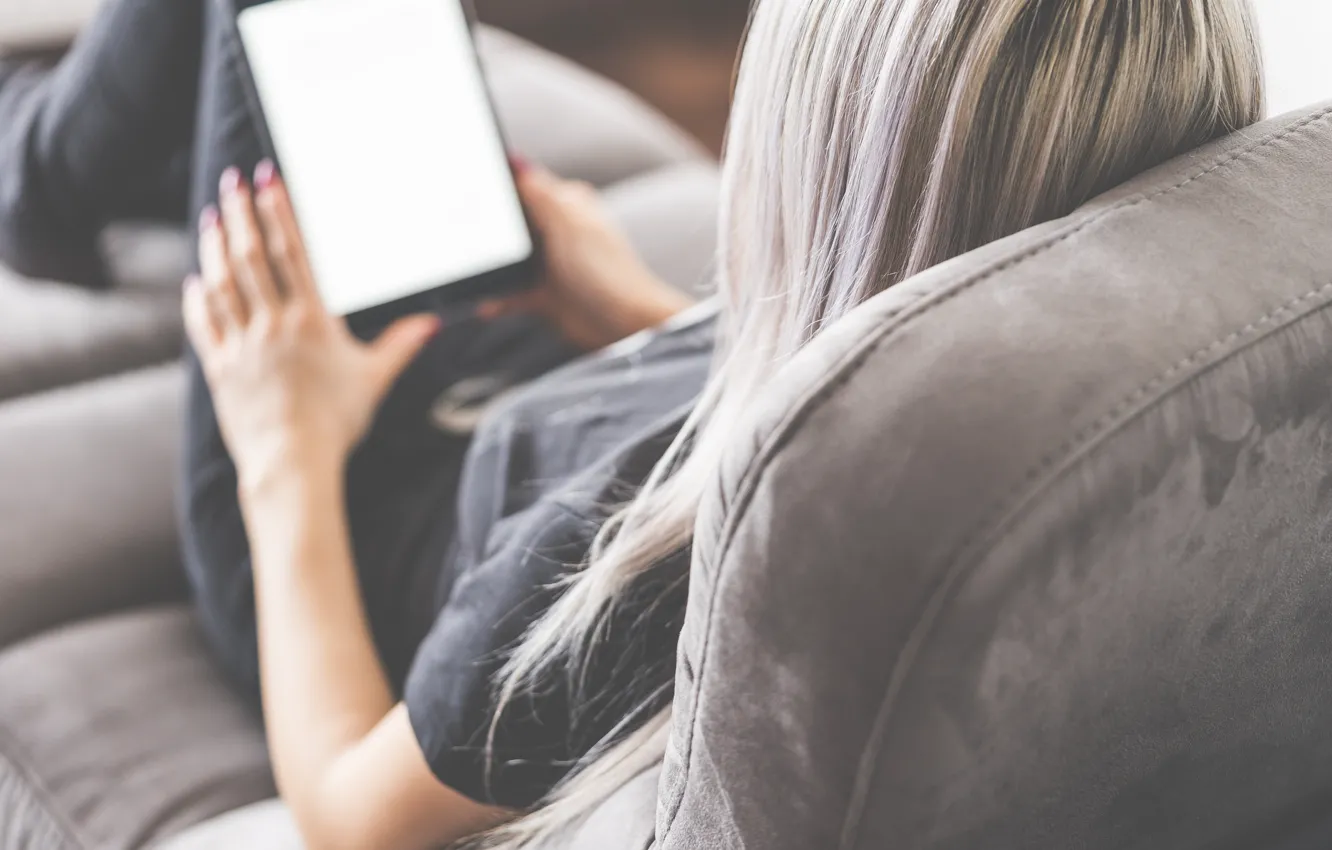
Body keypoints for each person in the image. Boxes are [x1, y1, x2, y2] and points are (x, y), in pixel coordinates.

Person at [0, 0, 1264, 847]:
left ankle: (40, 183)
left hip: (344, 509)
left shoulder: (611, 571)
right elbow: (850, 361)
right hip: (568, 385)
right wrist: (638, 315)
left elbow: (345, 805)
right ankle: (77, 160)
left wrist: (283, 443)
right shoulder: (1022, 380)